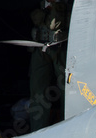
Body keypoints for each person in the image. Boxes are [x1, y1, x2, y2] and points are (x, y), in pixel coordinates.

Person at [28, 0, 72, 131]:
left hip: (62, 47)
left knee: (68, 89)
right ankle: (37, 133)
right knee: (37, 92)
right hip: (41, 46)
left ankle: (68, 130)